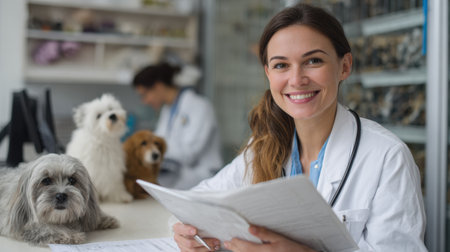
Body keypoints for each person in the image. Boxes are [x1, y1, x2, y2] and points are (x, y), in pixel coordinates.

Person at [171, 3, 426, 252]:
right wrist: (188, 232)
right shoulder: (262, 147)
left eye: (313, 61)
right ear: (268, 74)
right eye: (281, 65)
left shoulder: (387, 157)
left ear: (345, 66)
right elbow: (196, 202)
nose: (297, 80)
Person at [132, 62, 223, 189]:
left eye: (145, 95)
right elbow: (158, 142)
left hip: (201, 179)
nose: (145, 101)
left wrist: (151, 149)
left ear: (158, 86)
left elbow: (189, 153)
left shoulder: (199, 106)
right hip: (179, 177)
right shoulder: (168, 110)